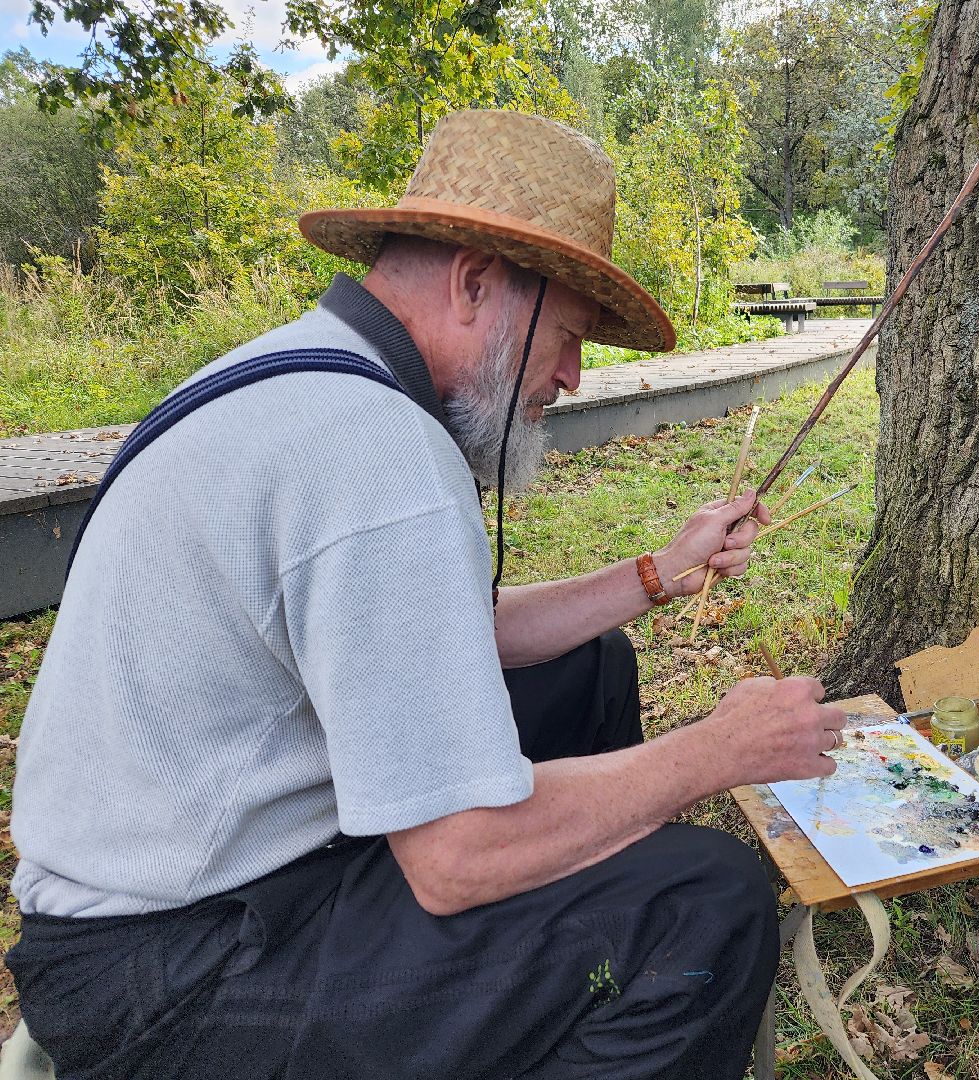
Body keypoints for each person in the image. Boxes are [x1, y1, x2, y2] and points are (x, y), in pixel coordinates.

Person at [7, 110, 844, 1080]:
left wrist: (659, 572)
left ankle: (547, 977)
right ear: (476, 284)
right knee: (711, 902)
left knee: (593, 670)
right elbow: (455, 859)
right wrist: (716, 752)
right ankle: (580, 967)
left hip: (169, 905)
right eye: (567, 338)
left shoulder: (307, 378)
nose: (571, 376)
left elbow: (446, 639)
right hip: (169, 976)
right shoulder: (379, 450)